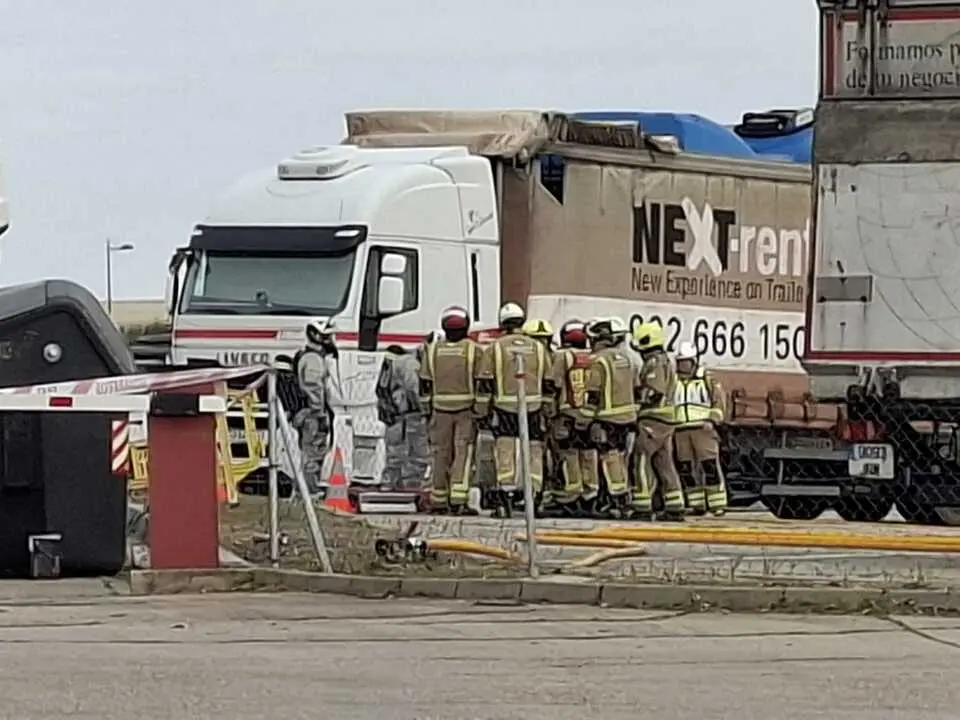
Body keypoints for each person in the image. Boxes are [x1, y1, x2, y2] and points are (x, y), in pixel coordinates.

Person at [475, 301, 553, 517]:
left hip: (504, 407)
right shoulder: (538, 348)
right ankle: (535, 495)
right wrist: (547, 411)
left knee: (505, 450)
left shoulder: (495, 348)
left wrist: (481, 412)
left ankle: (507, 494)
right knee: (534, 451)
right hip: (534, 407)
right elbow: (549, 383)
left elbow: (485, 383)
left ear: (502, 323)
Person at [419, 306, 480, 515]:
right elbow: (481, 382)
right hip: (466, 412)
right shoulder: (473, 350)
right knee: (463, 453)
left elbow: (425, 383)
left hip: (439, 411)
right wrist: (481, 410)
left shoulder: (433, 350)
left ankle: (438, 499)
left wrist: (427, 410)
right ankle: (458, 500)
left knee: (440, 454)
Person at [582, 316, 638, 518]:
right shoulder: (628, 359)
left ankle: (616, 500)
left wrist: (586, 421)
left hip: (606, 418)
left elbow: (594, 394)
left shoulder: (598, 361)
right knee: (622, 458)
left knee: (609, 458)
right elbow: (637, 388)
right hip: (628, 419)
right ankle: (624, 498)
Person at [631, 321, 685, 521]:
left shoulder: (655, 362)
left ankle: (642, 506)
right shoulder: (666, 361)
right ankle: (675, 506)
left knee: (641, 460)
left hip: (653, 420)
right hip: (667, 421)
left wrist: (636, 396)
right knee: (665, 463)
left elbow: (655, 391)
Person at [546, 319, 596, 516]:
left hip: (566, 414)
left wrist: (550, 412)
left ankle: (570, 495)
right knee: (588, 454)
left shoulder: (562, 357)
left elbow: (553, 384)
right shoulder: (594, 357)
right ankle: (590, 494)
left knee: (568, 455)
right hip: (589, 415)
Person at [673, 341, 728, 516]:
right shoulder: (674, 381)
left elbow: (719, 401)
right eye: (680, 362)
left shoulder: (707, 378)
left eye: (686, 362)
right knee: (686, 468)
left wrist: (712, 420)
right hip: (681, 430)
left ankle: (717, 504)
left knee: (709, 465)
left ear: (694, 361)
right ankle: (697, 504)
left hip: (703, 428)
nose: (683, 366)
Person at [294, 319, 343, 492]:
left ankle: (308, 489)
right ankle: (309, 490)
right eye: (327, 336)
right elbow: (313, 388)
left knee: (314, 452)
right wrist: (319, 413)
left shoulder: (313, 357)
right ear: (315, 335)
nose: (331, 340)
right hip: (313, 415)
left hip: (312, 413)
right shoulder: (313, 359)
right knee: (313, 452)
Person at [376, 344, 430, 491]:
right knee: (417, 452)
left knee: (394, 452)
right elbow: (414, 387)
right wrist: (426, 409)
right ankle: (412, 484)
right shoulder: (408, 363)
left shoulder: (392, 363)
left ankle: (390, 483)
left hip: (394, 415)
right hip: (411, 415)